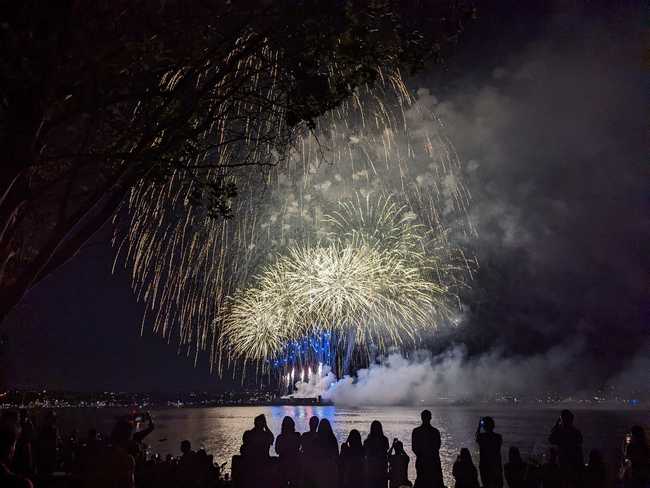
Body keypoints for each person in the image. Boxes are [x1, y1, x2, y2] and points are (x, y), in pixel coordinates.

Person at [548, 409, 583, 485]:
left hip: (563, 461)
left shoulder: (560, 432)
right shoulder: (576, 432)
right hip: (574, 462)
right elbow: (580, 442)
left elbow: (550, 439)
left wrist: (556, 425)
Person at [411, 410, 444, 488]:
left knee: (421, 480)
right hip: (433, 461)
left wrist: (421, 455)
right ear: (430, 418)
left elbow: (414, 447)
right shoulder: (435, 432)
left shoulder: (416, 431)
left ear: (422, 418)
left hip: (421, 461)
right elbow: (437, 446)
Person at [476, 416, 504, 488]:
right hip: (496, 465)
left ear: (484, 426)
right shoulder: (498, 437)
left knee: (486, 484)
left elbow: (477, 438)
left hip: (485, 466)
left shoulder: (482, 437)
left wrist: (479, 426)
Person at [275, 416, 301, 487]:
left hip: (283, 464)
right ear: (293, 425)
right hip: (295, 463)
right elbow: (299, 447)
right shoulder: (297, 435)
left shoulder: (280, 437)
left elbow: (277, 451)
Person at [364, 420, 389, 488]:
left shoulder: (367, 441)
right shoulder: (385, 440)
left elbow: (365, 454)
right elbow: (386, 454)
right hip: (382, 469)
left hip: (370, 470)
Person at [314, 418, 338, 488]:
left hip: (319, 467)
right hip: (331, 466)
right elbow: (336, 453)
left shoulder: (316, 440)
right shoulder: (333, 438)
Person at [36, 409, 59, 475]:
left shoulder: (52, 429)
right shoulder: (47, 430)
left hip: (48, 457)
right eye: (53, 418)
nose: (54, 420)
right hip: (45, 457)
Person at [301, 416, 320, 488]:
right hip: (316, 463)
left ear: (309, 424)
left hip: (305, 463)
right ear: (317, 425)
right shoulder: (319, 436)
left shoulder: (304, 435)